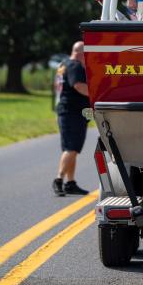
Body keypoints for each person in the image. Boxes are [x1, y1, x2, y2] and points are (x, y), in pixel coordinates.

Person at [52, 41, 90, 196]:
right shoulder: (75, 66)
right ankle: (59, 180)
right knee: (72, 148)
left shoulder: (63, 64)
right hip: (72, 112)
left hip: (66, 110)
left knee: (71, 149)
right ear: (81, 53)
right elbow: (79, 86)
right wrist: (96, 95)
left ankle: (71, 183)